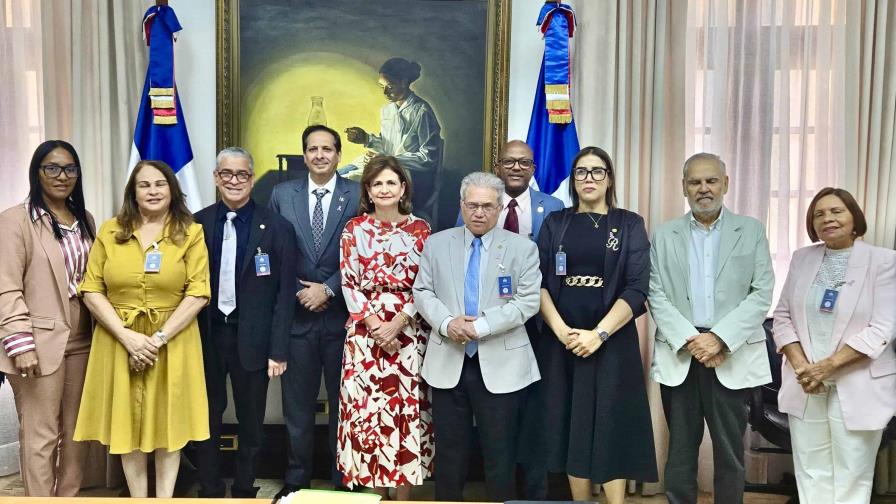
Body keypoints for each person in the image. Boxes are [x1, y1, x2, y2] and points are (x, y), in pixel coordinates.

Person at [74, 160, 211, 498]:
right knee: (127, 426)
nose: (152, 191)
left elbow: (198, 292)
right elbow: (91, 289)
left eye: (159, 184)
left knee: (169, 426)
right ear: (132, 192)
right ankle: (138, 498)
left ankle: (163, 498)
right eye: (144, 185)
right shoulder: (109, 231)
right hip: (117, 338)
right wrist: (128, 338)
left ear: (171, 190)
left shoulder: (191, 232)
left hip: (173, 341)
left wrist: (157, 340)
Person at [648, 153, 774, 504]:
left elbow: (761, 292)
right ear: (684, 188)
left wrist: (718, 338)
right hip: (681, 353)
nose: (704, 189)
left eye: (711, 181)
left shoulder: (750, 230)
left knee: (730, 453)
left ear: (725, 183)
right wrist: (693, 340)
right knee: (680, 452)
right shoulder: (664, 234)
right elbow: (655, 294)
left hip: (729, 353)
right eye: (695, 182)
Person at [536, 146, 657, 503]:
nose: (589, 179)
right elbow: (538, 283)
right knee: (572, 423)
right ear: (573, 180)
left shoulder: (629, 223)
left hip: (612, 341)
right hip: (563, 340)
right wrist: (562, 332)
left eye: (597, 171)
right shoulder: (556, 222)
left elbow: (638, 288)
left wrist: (599, 334)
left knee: (610, 422)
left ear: (609, 178)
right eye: (581, 172)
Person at [413, 171, 542, 502]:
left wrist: (479, 326)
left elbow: (527, 302)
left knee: (500, 454)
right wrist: (446, 323)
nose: (479, 213)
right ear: (462, 205)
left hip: (502, 363)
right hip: (448, 360)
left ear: (500, 208)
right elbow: (423, 292)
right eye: (472, 205)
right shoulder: (437, 243)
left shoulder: (523, 248)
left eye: (487, 206)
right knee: (450, 454)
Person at [455, 139, 564, 500]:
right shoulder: (476, 204)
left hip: (539, 326)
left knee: (533, 415)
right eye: (509, 162)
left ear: (533, 168)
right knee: (493, 419)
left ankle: (532, 492)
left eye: (524, 162)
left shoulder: (554, 206)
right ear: (498, 166)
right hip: (485, 328)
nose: (517, 167)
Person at [773, 188, 896, 504]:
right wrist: (803, 367)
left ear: (854, 217)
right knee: (811, 471)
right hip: (806, 382)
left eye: (836, 211)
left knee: (851, 473)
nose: (827, 218)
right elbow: (783, 316)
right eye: (819, 214)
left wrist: (827, 367)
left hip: (857, 381)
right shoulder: (803, 258)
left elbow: (883, 327)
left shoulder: (884, 261)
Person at [193, 147, 297, 498]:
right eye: (226, 174)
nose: (234, 181)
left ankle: (242, 486)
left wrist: (279, 349)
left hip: (253, 339)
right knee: (206, 415)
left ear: (252, 178)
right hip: (206, 337)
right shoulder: (196, 224)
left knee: (252, 422)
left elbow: (284, 296)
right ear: (216, 178)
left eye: (242, 174)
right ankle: (208, 485)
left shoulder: (278, 228)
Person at [269, 125, 361, 500]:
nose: (320, 155)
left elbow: (364, 249)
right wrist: (298, 291)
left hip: (344, 319)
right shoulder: (281, 194)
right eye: (312, 149)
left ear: (339, 155)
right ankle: (297, 481)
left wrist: (329, 288)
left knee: (345, 406)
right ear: (304, 155)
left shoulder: (357, 194)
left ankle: (343, 478)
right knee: (297, 409)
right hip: (297, 318)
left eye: (327, 149)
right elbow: (272, 251)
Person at [0, 140, 95, 496]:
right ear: (37, 172)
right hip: (37, 343)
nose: (62, 176)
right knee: (40, 434)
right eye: (51, 168)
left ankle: (67, 499)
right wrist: (20, 344)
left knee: (76, 432)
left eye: (70, 168)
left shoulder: (84, 220)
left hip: (84, 339)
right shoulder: (15, 220)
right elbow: (6, 288)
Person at [337, 155, 434, 499]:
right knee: (369, 415)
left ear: (403, 187)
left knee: (404, 413)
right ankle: (376, 494)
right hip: (365, 335)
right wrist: (376, 325)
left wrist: (399, 322)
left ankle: (403, 496)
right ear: (368, 189)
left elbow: (427, 284)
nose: (385, 188)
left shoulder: (421, 229)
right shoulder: (354, 229)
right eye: (377, 183)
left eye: (391, 182)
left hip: (409, 332)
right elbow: (349, 283)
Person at [342, 57, 443, 223]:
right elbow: (387, 143)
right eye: (382, 87)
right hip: (387, 165)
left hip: (408, 176)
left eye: (390, 87)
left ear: (403, 82)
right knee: (339, 175)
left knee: (346, 184)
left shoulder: (421, 111)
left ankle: (357, 229)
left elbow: (428, 158)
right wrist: (366, 139)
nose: (385, 93)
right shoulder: (387, 111)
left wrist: (389, 160)